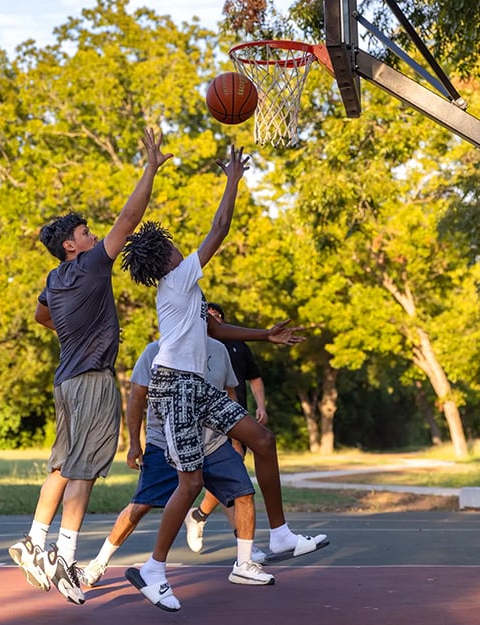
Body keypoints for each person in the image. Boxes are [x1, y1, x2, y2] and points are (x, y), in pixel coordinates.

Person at [119, 145, 328, 612]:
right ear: (165, 257)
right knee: (190, 485)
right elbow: (219, 230)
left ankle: (279, 537)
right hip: (175, 388)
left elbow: (214, 329)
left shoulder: (187, 289)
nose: (180, 247)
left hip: (198, 387)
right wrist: (233, 178)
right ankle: (153, 571)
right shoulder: (175, 279)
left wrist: (265, 336)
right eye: (173, 245)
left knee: (263, 439)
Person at [7, 128, 172, 606]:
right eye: (84, 233)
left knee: (61, 464)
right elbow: (129, 217)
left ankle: (35, 542)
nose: (93, 235)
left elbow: (42, 316)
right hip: (93, 381)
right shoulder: (92, 266)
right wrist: (150, 168)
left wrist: (69, 327)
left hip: (65, 381)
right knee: (84, 471)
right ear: (71, 247)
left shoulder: (54, 279)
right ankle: (63, 556)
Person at [77, 336, 267, 590]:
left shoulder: (218, 350)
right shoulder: (154, 351)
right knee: (140, 506)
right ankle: (99, 562)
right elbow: (137, 398)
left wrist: (236, 437)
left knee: (244, 494)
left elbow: (230, 394)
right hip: (164, 443)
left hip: (213, 443)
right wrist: (135, 443)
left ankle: (244, 565)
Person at [184, 301, 267, 553]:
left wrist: (261, 406)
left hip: (233, 419)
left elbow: (251, 379)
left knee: (234, 480)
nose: (213, 318)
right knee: (227, 480)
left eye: (217, 315)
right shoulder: (187, 347)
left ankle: (200, 516)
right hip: (203, 424)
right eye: (208, 315)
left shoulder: (234, 347)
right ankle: (241, 542)